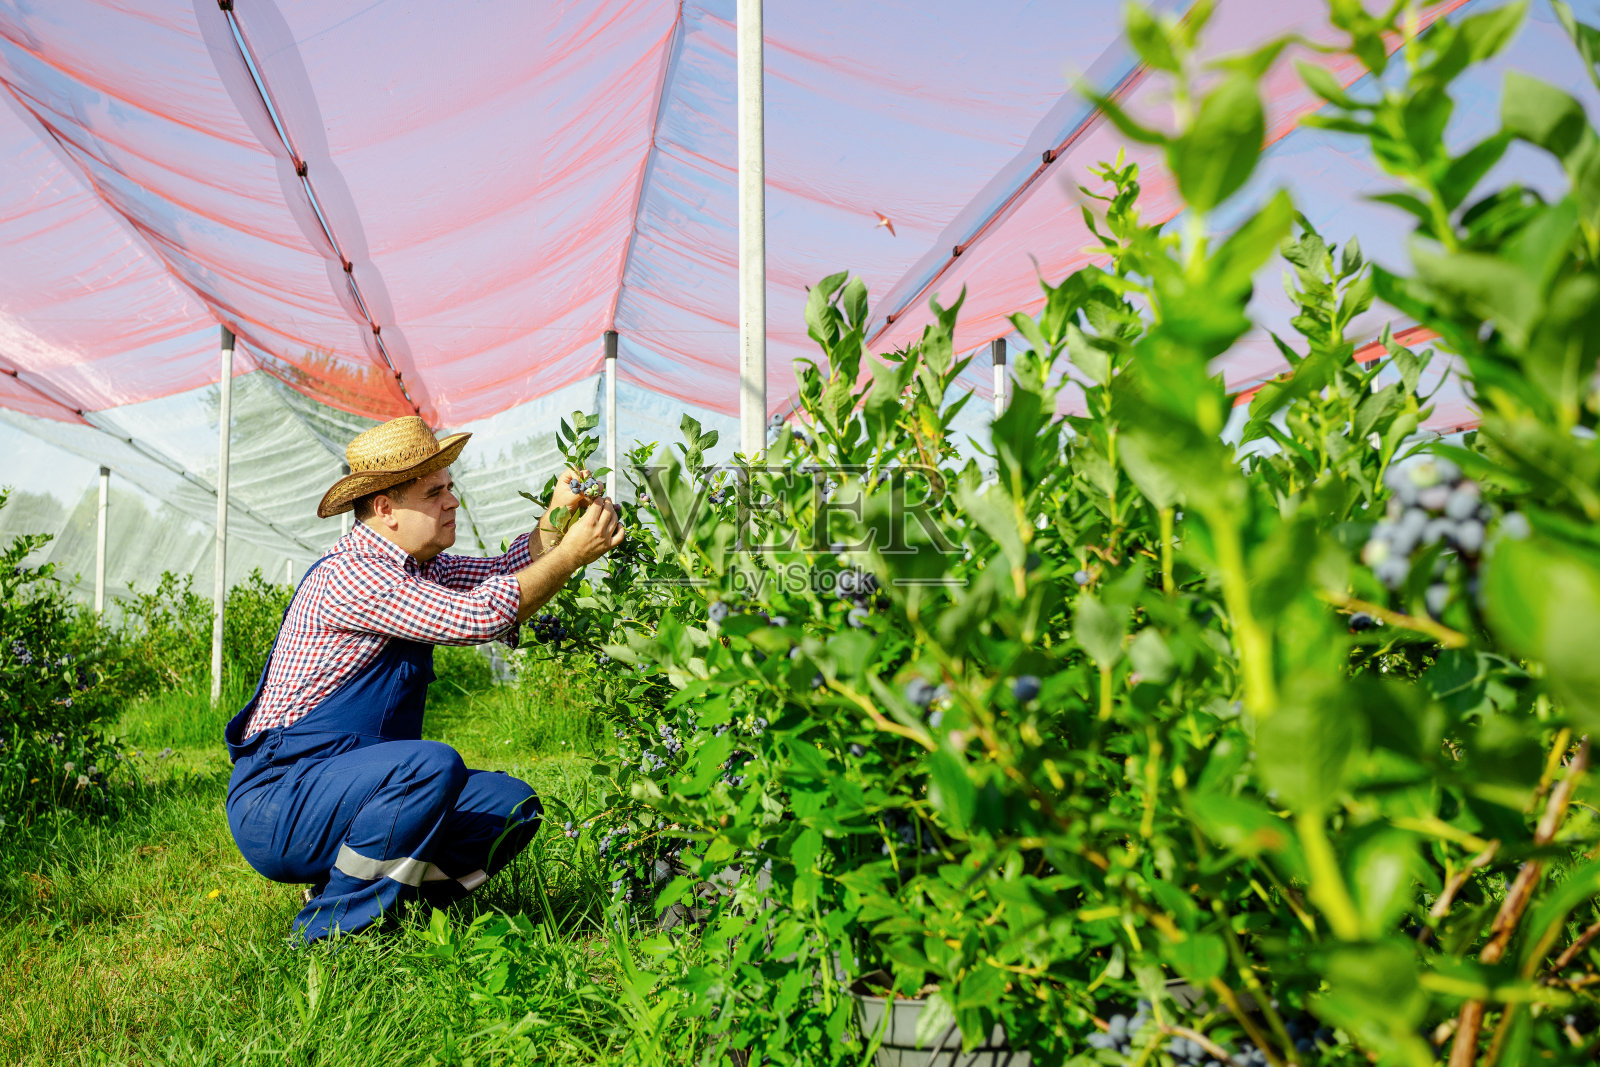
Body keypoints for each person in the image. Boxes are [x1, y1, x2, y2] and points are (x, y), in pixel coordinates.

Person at [222, 415, 624, 944]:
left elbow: (501, 574)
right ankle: (330, 931)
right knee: (429, 766)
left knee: (508, 808)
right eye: (435, 492)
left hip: (344, 783)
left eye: (450, 488)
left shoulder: (419, 568)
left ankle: (388, 905)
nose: (452, 501)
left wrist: (555, 520)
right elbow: (479, 617)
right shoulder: (355, 573)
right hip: (282, 799)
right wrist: (572, 556)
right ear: (386, 508)